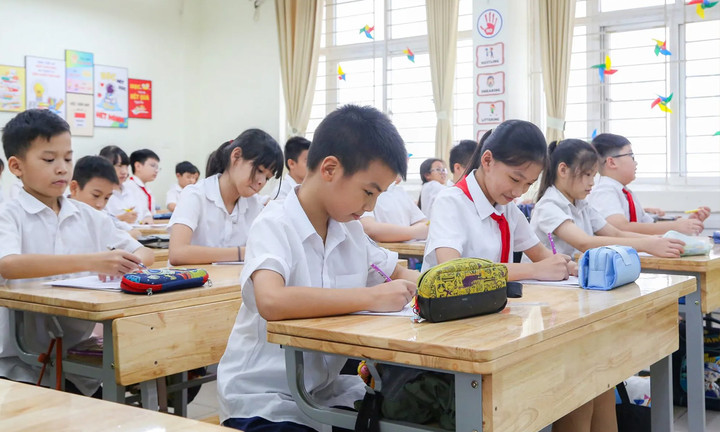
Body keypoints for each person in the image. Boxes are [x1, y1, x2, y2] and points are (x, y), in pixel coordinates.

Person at [217, 105, 418, 432]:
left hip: (323, 395)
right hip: (263, 400)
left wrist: (460, 285)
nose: (370, 206)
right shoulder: (275, 223)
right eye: (368, 192)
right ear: (330, 169)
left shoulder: (350, 231)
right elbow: (271, 300)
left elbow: (397, 274)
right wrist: (370, 297)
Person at [0, 109, 153, 395]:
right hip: (19, 364)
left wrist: (127, 265)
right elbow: (8, 264)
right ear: (16, 166)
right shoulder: (8, 214)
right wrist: (93, 261)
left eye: (68, 158)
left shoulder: (88, 216)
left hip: (79, 358)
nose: (61, 168)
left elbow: (144, 253)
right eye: (49, 160)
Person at [422, 120, 576, 281]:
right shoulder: (450, 202)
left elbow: (541, 254)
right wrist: (534, 270)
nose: (518, 192)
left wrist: (570, 267)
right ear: (487, 160)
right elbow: (451, 273)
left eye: (529, 184)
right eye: (515, 179)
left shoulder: (507, 208)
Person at [530, 139, 684, 260]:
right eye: (587, 175)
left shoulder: (581, 204)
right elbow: (584, 242)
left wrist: (658, 240)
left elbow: (615, 234)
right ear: (563, 170)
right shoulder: (548, 206)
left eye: (594, 175)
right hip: (546, 284)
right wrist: (646, 244)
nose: (592, 182)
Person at [167, 129, 283, 265]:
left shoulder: (255, 204)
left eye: (267, 178)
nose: (261, 182)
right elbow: (177, 253)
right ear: (236, 156)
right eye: (259, 170)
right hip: (194, 278)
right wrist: (242, 253)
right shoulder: (195, 195)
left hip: (232, 278)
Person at [588, 133, 710, 235]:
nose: (636, 163)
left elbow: (648, 226)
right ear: (612, 162)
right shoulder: (603, 189)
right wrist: (675, 226)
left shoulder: (625, 192)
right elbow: (619, 228)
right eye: (631, 156)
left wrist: (687, 224)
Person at [70, 155, 142, 239]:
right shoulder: (63, 217)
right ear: (74, 188)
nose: (100, 204)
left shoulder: (103, 215)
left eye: (107, 198)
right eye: (96, 195)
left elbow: (135, 232)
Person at [360, 174, 428, 242]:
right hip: (382, 248)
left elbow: (425, 224)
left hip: (409, 247)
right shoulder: (367, 191)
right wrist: (415, 232)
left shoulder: (399, 190)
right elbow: (369, 229)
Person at [101, 145, 140, 225]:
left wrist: (146, 218)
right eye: (119, 166)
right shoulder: (99, 193)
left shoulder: (130, 189)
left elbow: (142, 215)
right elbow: (98, 223)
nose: (124, 172)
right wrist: (121, 218)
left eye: (126, 167)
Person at [125, 149, 160, 223]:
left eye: (157, 167)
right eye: (153, 166)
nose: (156, 170)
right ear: (138, 166)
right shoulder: (128, 187)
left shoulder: (146, 189)